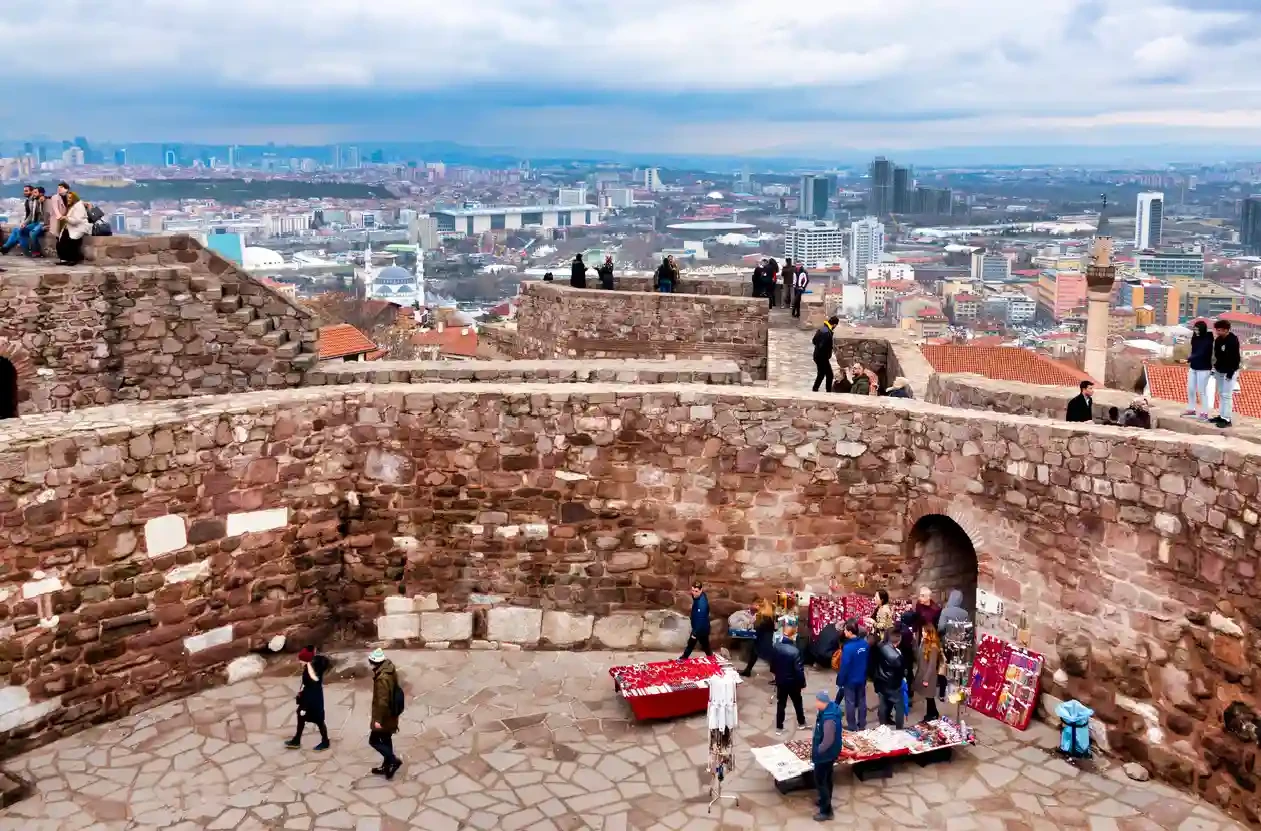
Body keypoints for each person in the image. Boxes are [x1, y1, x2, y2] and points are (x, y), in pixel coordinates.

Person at [286, 646, 331, 750]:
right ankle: (296, 740)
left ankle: (325, 742)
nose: (300, 662)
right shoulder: (311, 668)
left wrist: (305, 707)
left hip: (312, 703)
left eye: (302, 660)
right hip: (312, 700)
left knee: (319, 721)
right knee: (302, 719)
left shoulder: (311, 673)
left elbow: (310, 691)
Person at [367, 648, 402, 778]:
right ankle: (387, 766)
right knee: (386, 739)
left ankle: (393, 761)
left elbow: (382, 702)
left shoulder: (382, 678)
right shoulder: (389, 669)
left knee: (374, 740)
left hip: (385, 717)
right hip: (391, 714)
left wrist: (378, 720)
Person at [810, 690, 843, 822]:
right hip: (831, 753)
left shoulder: (829, 719)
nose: (815, 703)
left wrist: (818, 750)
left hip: (825, 755)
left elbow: (828, 740)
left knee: (820, 781)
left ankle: (826, 811)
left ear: (823, 702)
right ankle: (825, 799)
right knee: (828, 778)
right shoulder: (829, 710)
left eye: (817, 701)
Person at [770, 623, 807, 733]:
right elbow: (799, 670)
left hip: (781, 680)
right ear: (793, 635)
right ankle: (801, 722)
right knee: (797, 702)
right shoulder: (795, 651)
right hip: (793, 682)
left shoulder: (776, 647)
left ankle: (779, 727)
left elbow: (773, 664)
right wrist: (802, 683)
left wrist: (775, 675)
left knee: (781, 703)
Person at [835, 620, 869, 730]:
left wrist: (840, 680)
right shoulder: (864, 644)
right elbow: (868, 661)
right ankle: (862, 723)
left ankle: (852, 726)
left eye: (845, 630)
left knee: (850, 702)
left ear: (850, 632)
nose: (844, 632)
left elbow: (844, 666)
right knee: (862, 701)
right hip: (862, 678)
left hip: (850, 680)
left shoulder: (848, 648)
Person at [874, 629, 905, 729]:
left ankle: (882, 727)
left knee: (882, 705)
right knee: (899, 707)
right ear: (898, 641)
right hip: (893, 685)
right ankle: (899, 729)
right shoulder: (897, 657)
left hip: (881, 681)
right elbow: (900, 672)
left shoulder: (880, 647)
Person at [1212, 319, 1241, 429]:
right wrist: (1216, 368)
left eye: (1219, 330)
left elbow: (1236, 359)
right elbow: (1218, 356)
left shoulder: (1233, 340)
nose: (1217, 332)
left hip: (1230, 371)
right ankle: (1221, 416)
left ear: (1226, 330)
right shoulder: (1218, 340)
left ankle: (1227, 419)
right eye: (1216, 330)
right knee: (1221, 394)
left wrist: (1230, 373)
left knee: (1227, 395)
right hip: (1220, 370)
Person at [915, 623, 946, 721]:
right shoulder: (924, 642)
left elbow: (932, 665)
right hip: (923, 672)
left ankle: (930, 715)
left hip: (929, 675)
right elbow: (918, 656)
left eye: (925, 632)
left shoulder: (933, 647)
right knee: (928, 697)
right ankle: (934, 713)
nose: (923, 633)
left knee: (929, 696)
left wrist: (926, 678)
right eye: (922, 631)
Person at [1184, 319, 1213, 419]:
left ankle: (1204, 412)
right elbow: (1194, 351)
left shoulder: (1208, 339)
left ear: (1202, 329)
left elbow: (1202, 352)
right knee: (1190, 389)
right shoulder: (1195, 338)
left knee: (1202, 390)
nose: (1196, 331)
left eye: (1198, 330)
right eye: (1195, 329)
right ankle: (1191, 409)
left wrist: (1188, 359)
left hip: (1204, 368)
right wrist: (1190, 359)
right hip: (1194, 367)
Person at [741, 598, 777, 677]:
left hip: (764, 639)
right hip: (765, 637)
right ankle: (747, 670)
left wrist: (750, 630)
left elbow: (758, 628)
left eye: (754, 604)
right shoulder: (768, 614)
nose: (752, 606)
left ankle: (778, 677)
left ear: (759, 606)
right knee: (754, 653)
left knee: (770, 658)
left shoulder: (763, 616)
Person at [56, 191, 90, 266]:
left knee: (71, 243)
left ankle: (73, 259)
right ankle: (64, 259)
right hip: (70, 226)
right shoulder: (72, 205)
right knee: (60, 243)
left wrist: (65, 218)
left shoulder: (78, 206)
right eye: (68, 198)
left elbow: (76, 220)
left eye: (70, 198)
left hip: (78, 228)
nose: (68, 199)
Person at [679, 581, 712, 658]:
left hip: (700, 629)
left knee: (691, 644)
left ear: (701, 590)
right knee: (705, 646)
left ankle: (683, 658)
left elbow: (701, 619)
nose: (694, 593)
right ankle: (711, 658)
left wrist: (695, 633)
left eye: (696, 591)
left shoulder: (701, 605)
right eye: (693, 591)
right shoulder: (700, 595)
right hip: (703, 628)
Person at [0, 185, 35, 255]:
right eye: (24, 191)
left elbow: (32, 215)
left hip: (34, 223)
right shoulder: (28, 201)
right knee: (16, 230)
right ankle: (5, 248)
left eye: (26, 191)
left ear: (32, 191)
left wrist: (24, 223)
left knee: (18, 231)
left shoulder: (33, 201)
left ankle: (25, 250)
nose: (24, 192)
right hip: (30, 222)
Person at [812, 316, 837, 392]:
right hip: (822, 357)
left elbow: (814, 341)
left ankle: (815, 388)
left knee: (821, 373)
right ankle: (828, 391)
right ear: (835, 324)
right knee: (830, 375)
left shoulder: (822, 329)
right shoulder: (827, 333)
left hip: (817, 355)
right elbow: (822, 346)